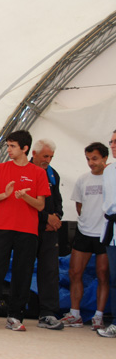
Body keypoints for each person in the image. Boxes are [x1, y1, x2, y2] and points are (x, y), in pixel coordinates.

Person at [0, 130, 50, 332]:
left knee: (22, 273)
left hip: (27, 231)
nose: (8, 149)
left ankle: (15, 316)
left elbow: (41, 205)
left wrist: (25, 197)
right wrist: (5, 195)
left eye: (12, 146)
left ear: (25, 148)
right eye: (7, 145)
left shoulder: (39, 173)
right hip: (1, 228)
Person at [61, 142, 109, 330]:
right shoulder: (82, 180)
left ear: (105, 158)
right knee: (74, 272)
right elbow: (79, 207)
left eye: (95, 158)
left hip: (104, 234)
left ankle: (98, 316)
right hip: (84, 232)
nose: (91, 163)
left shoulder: (111, 179)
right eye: (88, 159)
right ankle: (75, 314)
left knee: (103, 274)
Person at [30, 139, 64, 330]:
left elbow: (58, 200)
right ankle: (16, 312)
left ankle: (48, 313)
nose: (48, 160)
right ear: (33, 153)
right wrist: (46, 219)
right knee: (24, 268)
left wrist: (56, 218)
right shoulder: (25, 172)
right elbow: (26, 202)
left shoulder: (53, 174)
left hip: (50, 231)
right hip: (30, 228)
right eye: (45, 156)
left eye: (51, 157)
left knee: (50, 271)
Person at [97, 131, 116, 338]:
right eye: (111, 142)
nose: (112, 145)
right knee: (114, 277)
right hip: (112, 227)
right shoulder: (109, 171)